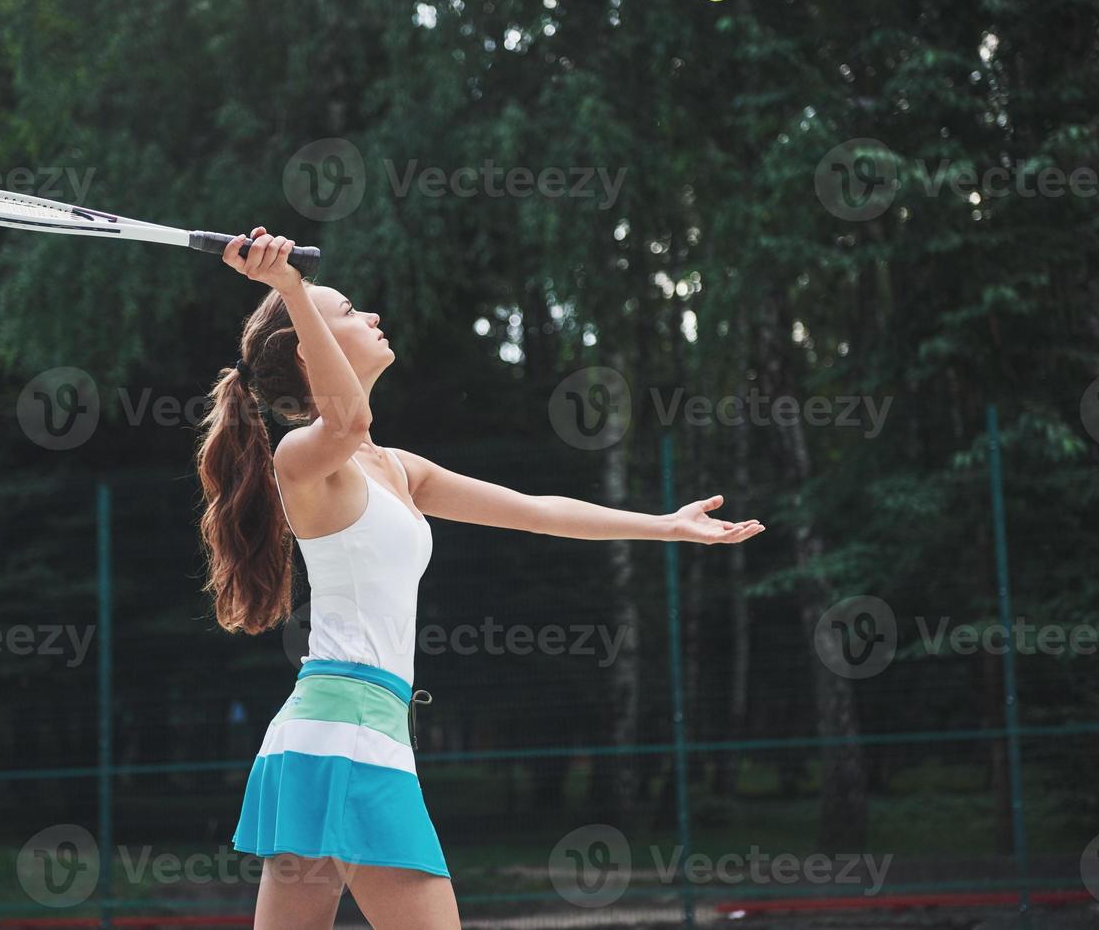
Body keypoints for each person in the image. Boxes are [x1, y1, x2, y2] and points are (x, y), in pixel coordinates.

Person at [194, 227, 765, 929]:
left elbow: (535, 512)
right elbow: (347, 419)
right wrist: (290, 289)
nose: (369, 317)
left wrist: (664, 525)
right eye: (347, 313)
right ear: (309, 350)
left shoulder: (394, 467)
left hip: (335, 732)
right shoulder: (306, 457)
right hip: (345, 732)